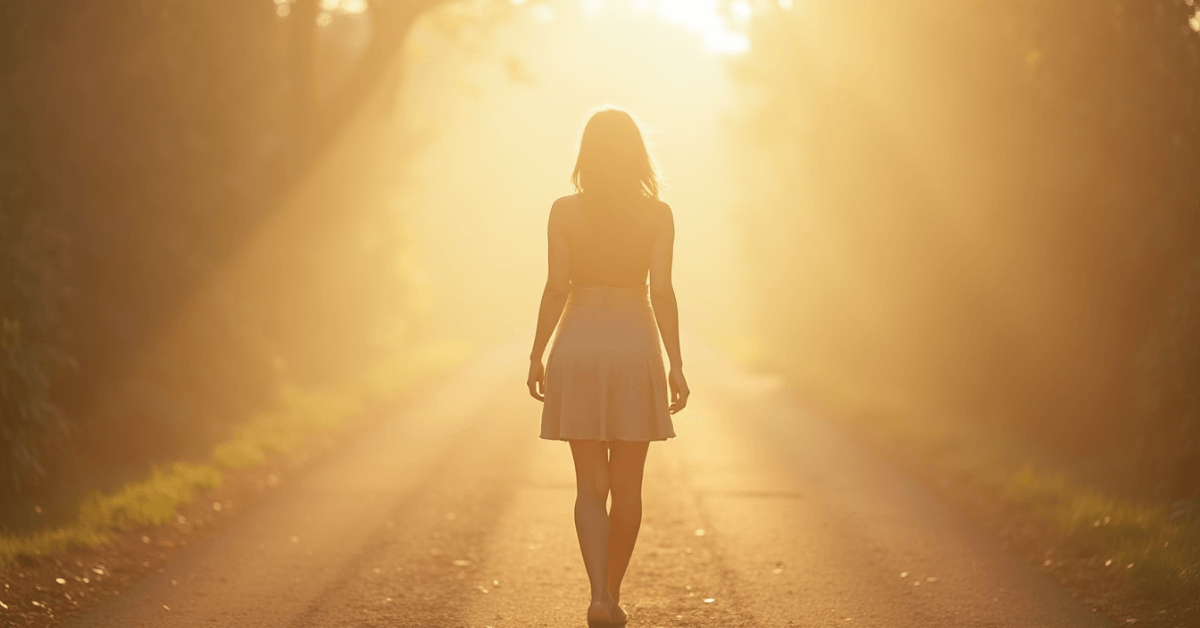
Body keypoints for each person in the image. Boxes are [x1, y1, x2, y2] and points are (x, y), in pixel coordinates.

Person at [527, 107, 690, 627]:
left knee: (589, 487)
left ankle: (598, 594)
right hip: (634, 342)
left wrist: (536, 353)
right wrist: (676, 364)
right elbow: (662, 292)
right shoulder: (658, 215)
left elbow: (557, 287)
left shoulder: (563, 211)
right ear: (636, 153)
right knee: (629, 488)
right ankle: (611, 594)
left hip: (578, 340)